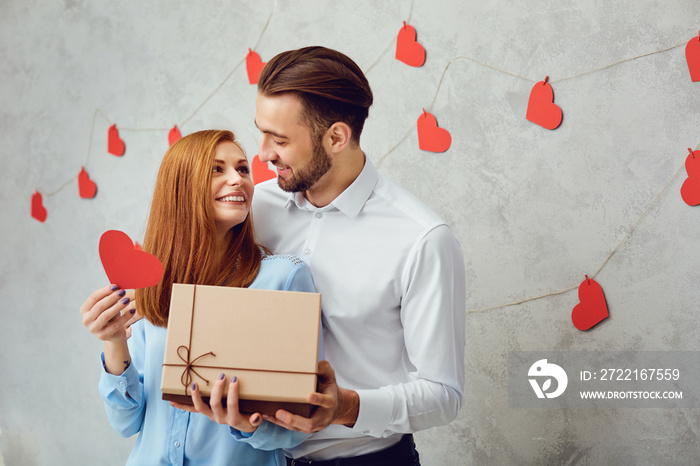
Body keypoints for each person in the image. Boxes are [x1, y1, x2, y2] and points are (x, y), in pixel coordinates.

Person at [217, 46, 466, 465]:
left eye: (279, 140)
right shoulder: (254, 209)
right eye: (260, 132)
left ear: (336, 137)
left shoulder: (422, 238)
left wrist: (347, 407)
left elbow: (444, 395)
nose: (261, 154)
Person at [79, 130, 317, 466]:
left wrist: (244, 425)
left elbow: (299, 427)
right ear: (181, 188)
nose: (238, 180)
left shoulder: (284, 278)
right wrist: (114, 341)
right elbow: (126, 423)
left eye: (243, 169)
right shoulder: (153, 285)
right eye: (217, 169)